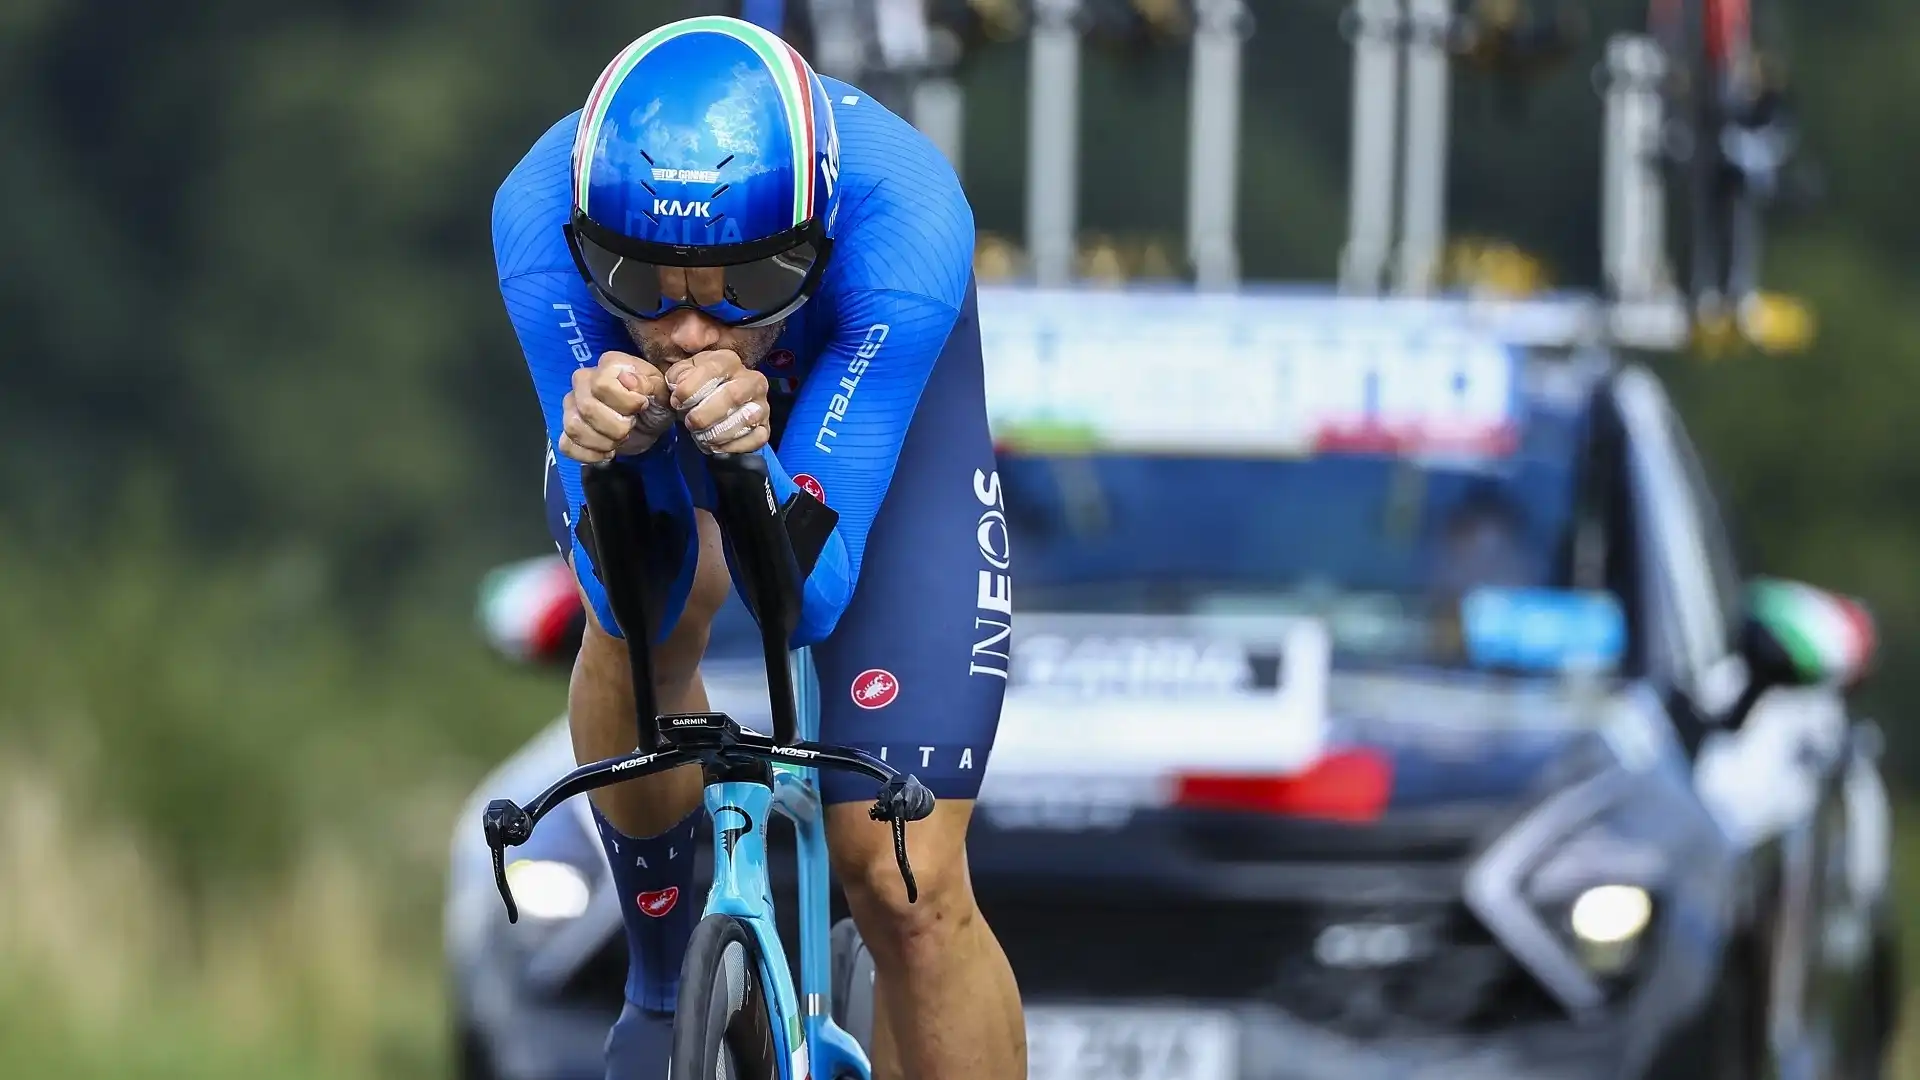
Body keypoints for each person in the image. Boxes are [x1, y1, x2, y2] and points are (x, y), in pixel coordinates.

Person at [489, 15, 1025, 1080]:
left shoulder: (905, 224)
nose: (689, 331)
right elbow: (634, 589)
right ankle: (655, 984)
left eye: (742, 287)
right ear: (597, 253)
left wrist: (749, 460)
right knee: (637, 617)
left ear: (808, 249)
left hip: (859, 408)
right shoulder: (537, 217)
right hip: (664, 437)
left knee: (901, 879)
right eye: (646, 289)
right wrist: (616, 455)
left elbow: (812, 599)